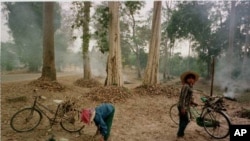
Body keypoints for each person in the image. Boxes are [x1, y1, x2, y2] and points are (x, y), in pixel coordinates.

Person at [177, 71, 199, 139]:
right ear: (186, 79)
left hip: (184, 105)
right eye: (189, 78)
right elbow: (183, 97)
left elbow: (188, 97)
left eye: (192, 78)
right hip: (182, 106)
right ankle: (180, 134)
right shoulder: (186, 86)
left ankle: (180, 133)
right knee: (186, 120)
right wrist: (183, 108)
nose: (191, 79)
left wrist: (193, 102)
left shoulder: (190, 86)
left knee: (182, 120)